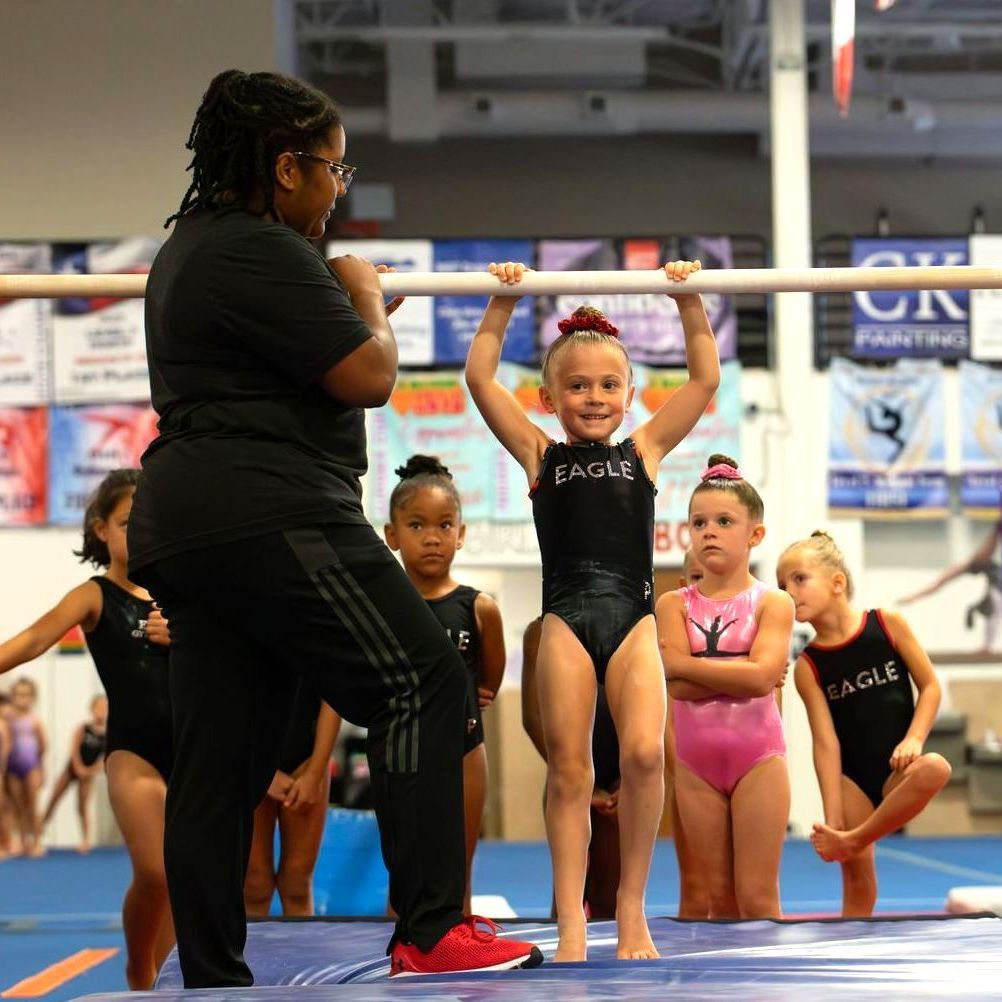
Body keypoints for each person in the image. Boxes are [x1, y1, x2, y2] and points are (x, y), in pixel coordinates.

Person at [126, 69, 540, 986]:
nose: (335, 191)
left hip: (191, 519)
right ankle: (432, 929)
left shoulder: (191, 249)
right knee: (426, 678)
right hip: (264, 506)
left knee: (221, 757)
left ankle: (212, 970)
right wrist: (357, 292)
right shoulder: (263, 249)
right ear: (285, 169)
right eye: (333, 172)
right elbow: (368, 378)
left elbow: (296, 364)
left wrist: (345, 313)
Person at [466, 259, 719, 961]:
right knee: (571, 769)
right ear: (548, 398)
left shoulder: (644, 451)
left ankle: (632, 909)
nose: (595, 396)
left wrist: (688, 297)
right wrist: (501, 301)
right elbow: (483, 379)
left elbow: (703, 379)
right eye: (576, 386)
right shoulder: (538, 454)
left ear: (631, 393)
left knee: (641, 754)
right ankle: (574, 916)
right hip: (564, 623)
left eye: (609, 385)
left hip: (634, 617)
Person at [0, 469, 174, 988]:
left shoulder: (185, 593)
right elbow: (34, 638)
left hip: (194, 750)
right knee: (156, 873)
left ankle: (169, 986)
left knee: (184, 882)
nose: (139, 531)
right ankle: (139, 964)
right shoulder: (96, 595)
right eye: (127, 522)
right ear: (101, 529)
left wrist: (188, 635)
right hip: (135, 755)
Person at [777, 531, 952, 917]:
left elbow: (930, 686)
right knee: (857, 880)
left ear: (837, 582)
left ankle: (855, 839)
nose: (789, 591)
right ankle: (849, 945)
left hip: (898, 768)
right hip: (852, 779)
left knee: (936, 767)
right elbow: (825, 742)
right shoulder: (808, 665)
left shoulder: (887, 625)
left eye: (799, 579)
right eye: (782, 585)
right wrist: (833, 812)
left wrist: (914, 739)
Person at [657, 456, 793, 919]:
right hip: (696, 767)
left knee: (757, 898)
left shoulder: (774, 603)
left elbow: (760, 679)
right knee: (718, 900)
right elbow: (675, 687)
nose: (709, 531)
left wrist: (690, 666)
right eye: (699, 522)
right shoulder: (672, 604)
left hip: (758, 760)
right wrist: (742, 669)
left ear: (754, 534)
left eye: (723, 521)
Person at [384, 455, 507, 914]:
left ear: (461, 532)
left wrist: (474, 693)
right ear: (391, 535)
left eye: (443, 525)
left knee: (459, 865)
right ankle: (398, 952)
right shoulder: (384, 608)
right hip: (403, 751)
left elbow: (487, 680)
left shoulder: (479, 608)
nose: (432, 538)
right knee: (405, 868)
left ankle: (459, 946)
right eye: (416, 526)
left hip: (464, 748)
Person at [521, 616, 621, 921]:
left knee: (609, 892)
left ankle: (610, 964)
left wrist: (630, 779)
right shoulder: (541, 631)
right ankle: (566, 953)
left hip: (620, 778)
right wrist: (568, 773)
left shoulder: (631, 622)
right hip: (566, 774)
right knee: (568, 893)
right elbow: (532, 717)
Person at [245, 684, 341, 918]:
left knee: (296, 884)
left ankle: (304, 954)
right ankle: (248, 954)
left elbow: (333, 695)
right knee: (254, 885)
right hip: (248, 753)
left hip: (306, 755)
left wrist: (316, 772)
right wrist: (261, 770)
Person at [898, 517, 1001, 654]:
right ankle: (987, 645)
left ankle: (987, 645)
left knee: (993, 605)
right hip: (994, 583)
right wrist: (912, 597)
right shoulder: (971, 564)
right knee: (992, 606)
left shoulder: (983, 556)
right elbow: (937, 584)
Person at [41, 693, 108, 853]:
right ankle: (37, 833)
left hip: (88, 773)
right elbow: (74, 748)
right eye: (98, 706)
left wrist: (89, 771)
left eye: (104, 707)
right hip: (71, 769)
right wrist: (77, 766)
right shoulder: (83, 728)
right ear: (91, 709)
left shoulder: (108, 734)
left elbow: (105, 758)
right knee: (54, 798)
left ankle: (86, 840)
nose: (101, 710)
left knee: (82, 806)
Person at [3, 678, 46, 858]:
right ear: (12, 696)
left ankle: (36, 841)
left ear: (32, 698)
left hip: (31, 766)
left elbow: (43, 745)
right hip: (12, 766)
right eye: (18, 695)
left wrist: (41, 767)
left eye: (26, 695)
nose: (22, 699)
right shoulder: (7, 717)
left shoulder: (34, 720)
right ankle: (21, 840)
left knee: (32, 805)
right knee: (17, 805)